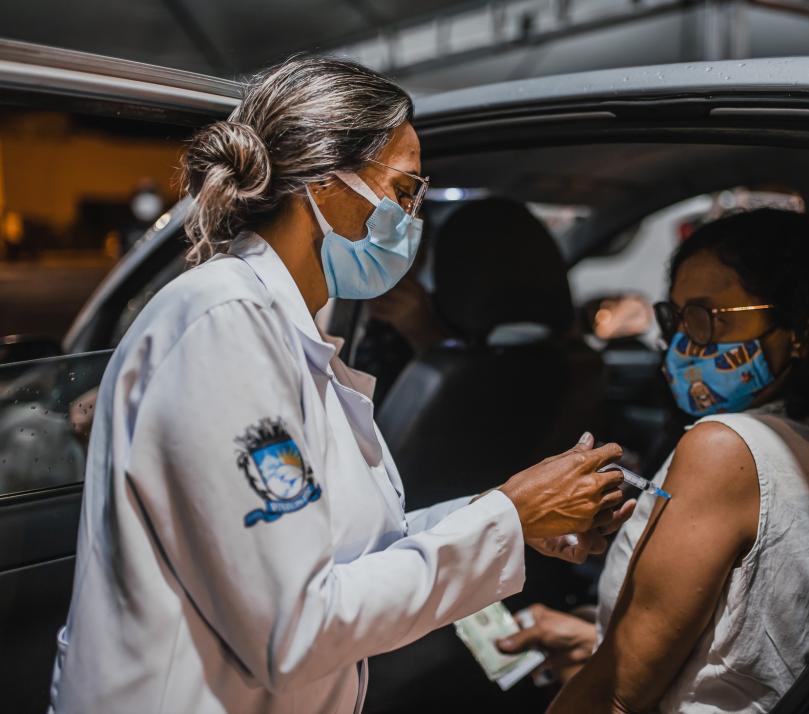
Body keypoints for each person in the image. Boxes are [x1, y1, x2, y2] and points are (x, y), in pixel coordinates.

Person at [47, 57, 633, 714]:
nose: (411, 218)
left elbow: (345, 553)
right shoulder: (224, 324)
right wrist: (508, 518)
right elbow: (296, 630)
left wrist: (512, 519)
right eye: (405, 190)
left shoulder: (281, 331)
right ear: (324, 184)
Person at [499, 208, 809, 713]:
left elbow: (614, 698)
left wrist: (603, 664)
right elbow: (752, 636)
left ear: (800, 329)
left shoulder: (724, 448)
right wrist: (595, 638)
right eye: (675, 318)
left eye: (705, 319)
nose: (680, 345)